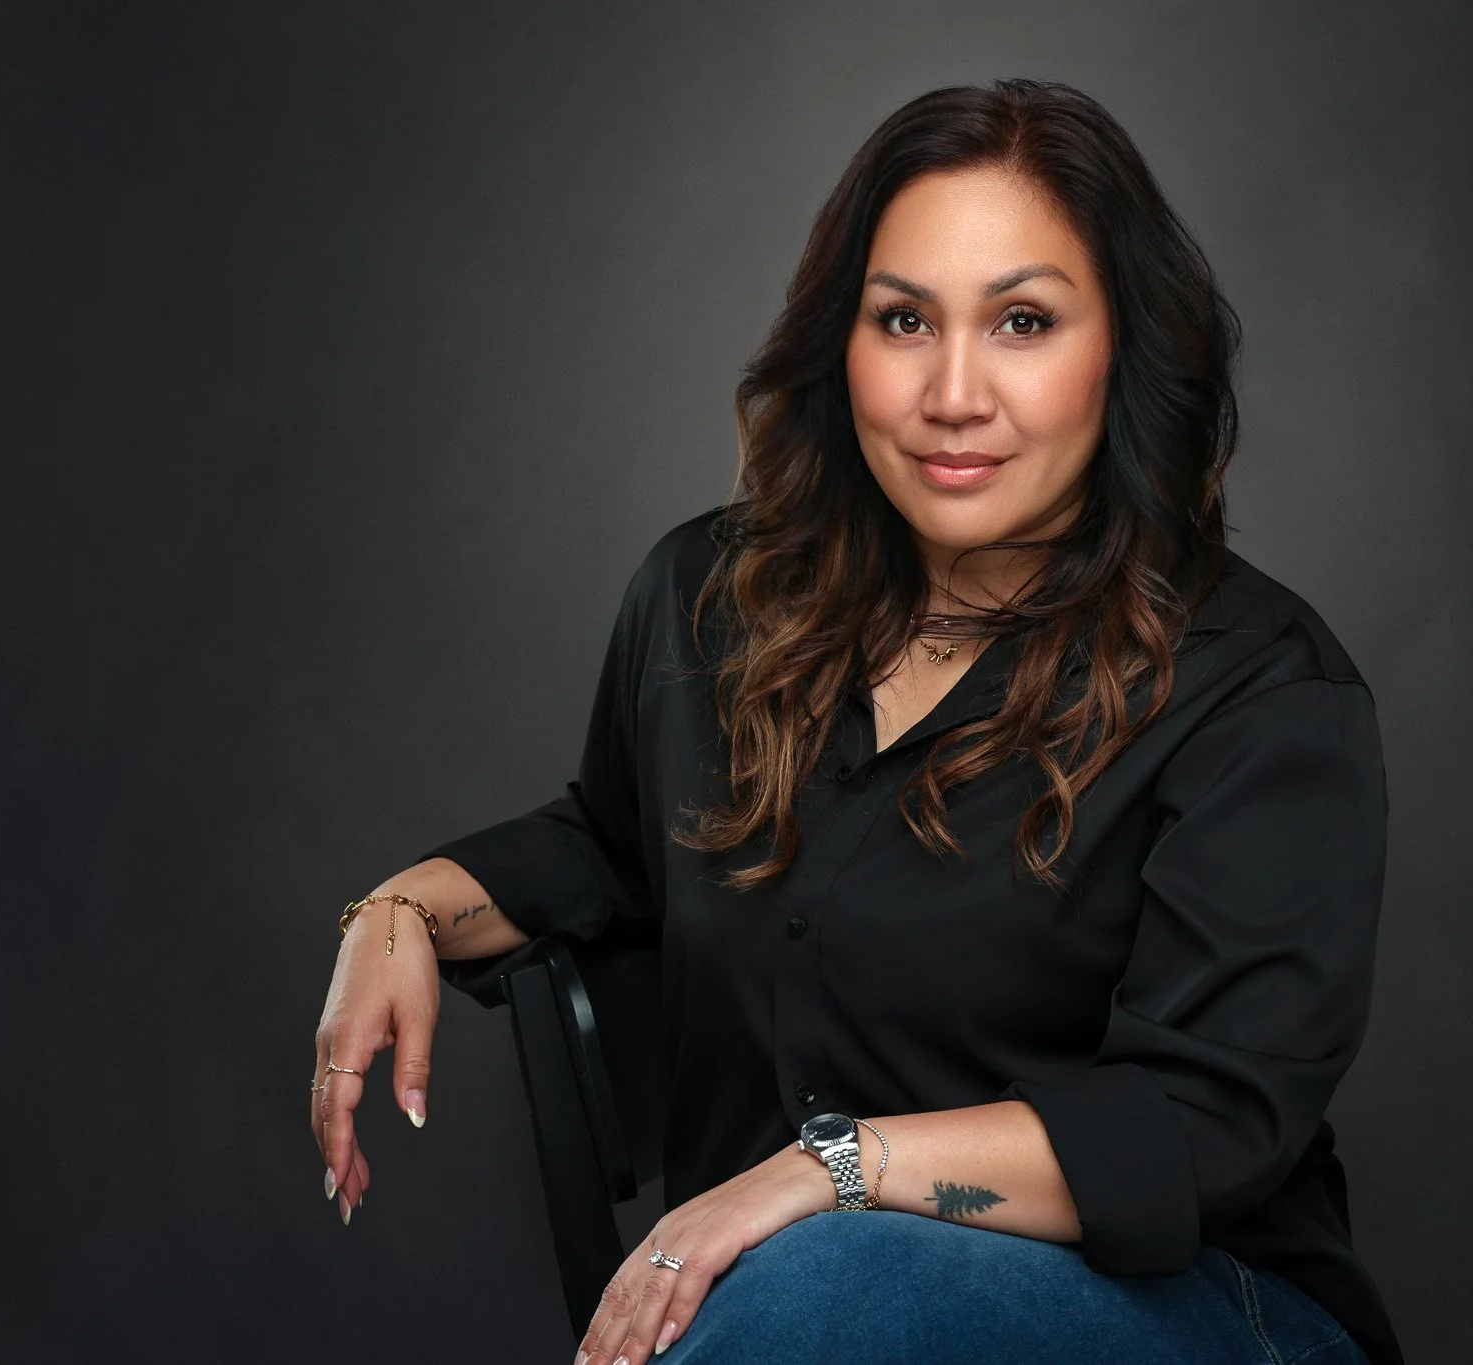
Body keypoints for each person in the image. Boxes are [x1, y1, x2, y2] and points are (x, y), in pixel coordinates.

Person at [307, 77, 1403, 1365]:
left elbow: (1196, 1127)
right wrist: (399, 912)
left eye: (1024, 322)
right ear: (846, 341)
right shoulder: (708, 601)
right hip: (789, 1323)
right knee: (808, 1302)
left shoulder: (1259, 688)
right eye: (904, 321)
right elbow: (613, 849)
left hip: (1199, 1317)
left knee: (823, 1294)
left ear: (1124, 350)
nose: (952, 392)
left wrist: (824, 1174)